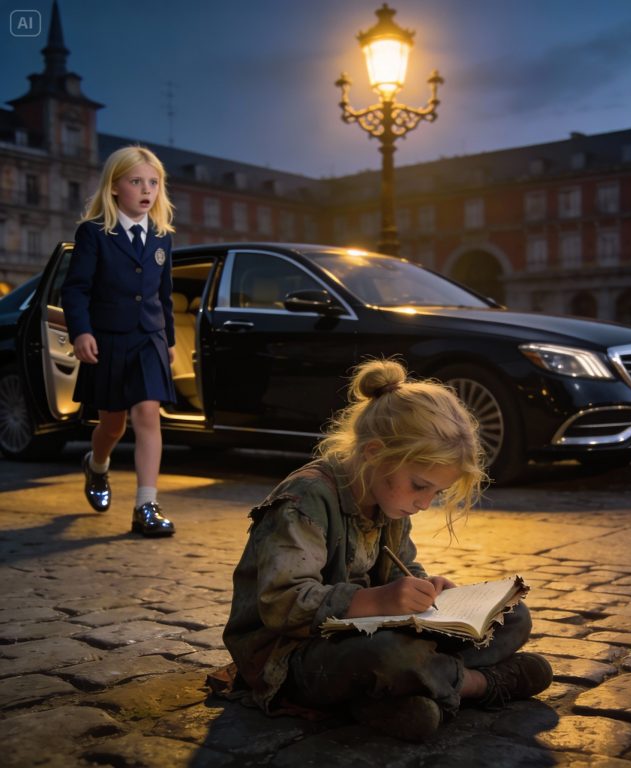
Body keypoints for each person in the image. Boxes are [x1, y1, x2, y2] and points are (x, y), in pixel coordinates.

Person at [222, 358, 552, 742]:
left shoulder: (388, 498)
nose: (425, 503)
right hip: (290, 658)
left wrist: (425, 591)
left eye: (436, 493)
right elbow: (283, 603)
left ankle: (397, 695)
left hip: (366, 635)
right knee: (391, 657)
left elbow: (399, 571)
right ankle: (476, 685)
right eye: (419, 485)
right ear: (375, 453)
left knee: (513, 617)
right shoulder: (306, 499)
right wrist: (377, 600)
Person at [61, 145, 176, 537]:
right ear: (114, 187)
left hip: (149, 337)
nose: (146, 190)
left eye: (153, 183)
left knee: (147, 414)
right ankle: (97, 464)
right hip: (109, 339)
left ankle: (146, 505)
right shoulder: (94, 233)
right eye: (136, 182)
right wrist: (81, 332)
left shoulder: (161, 237)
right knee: (112, 424)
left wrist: (170, 340)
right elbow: (75, 290)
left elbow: (164, 294)